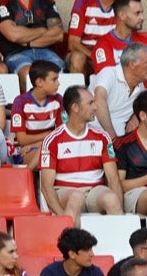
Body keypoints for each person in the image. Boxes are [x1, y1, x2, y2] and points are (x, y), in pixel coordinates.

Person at [38, 86, 122, 223]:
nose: (95, 107)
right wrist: (62, 218)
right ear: (75, 108)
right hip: (65, 191)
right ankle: (70, 241)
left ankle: (119, 241)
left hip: (94, 191)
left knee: (112, 199)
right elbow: (46, 187)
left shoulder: (103, 137)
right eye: (90, 103)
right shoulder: (52, 140)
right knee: (76, 197)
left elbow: (114, 180)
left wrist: (120, 211)